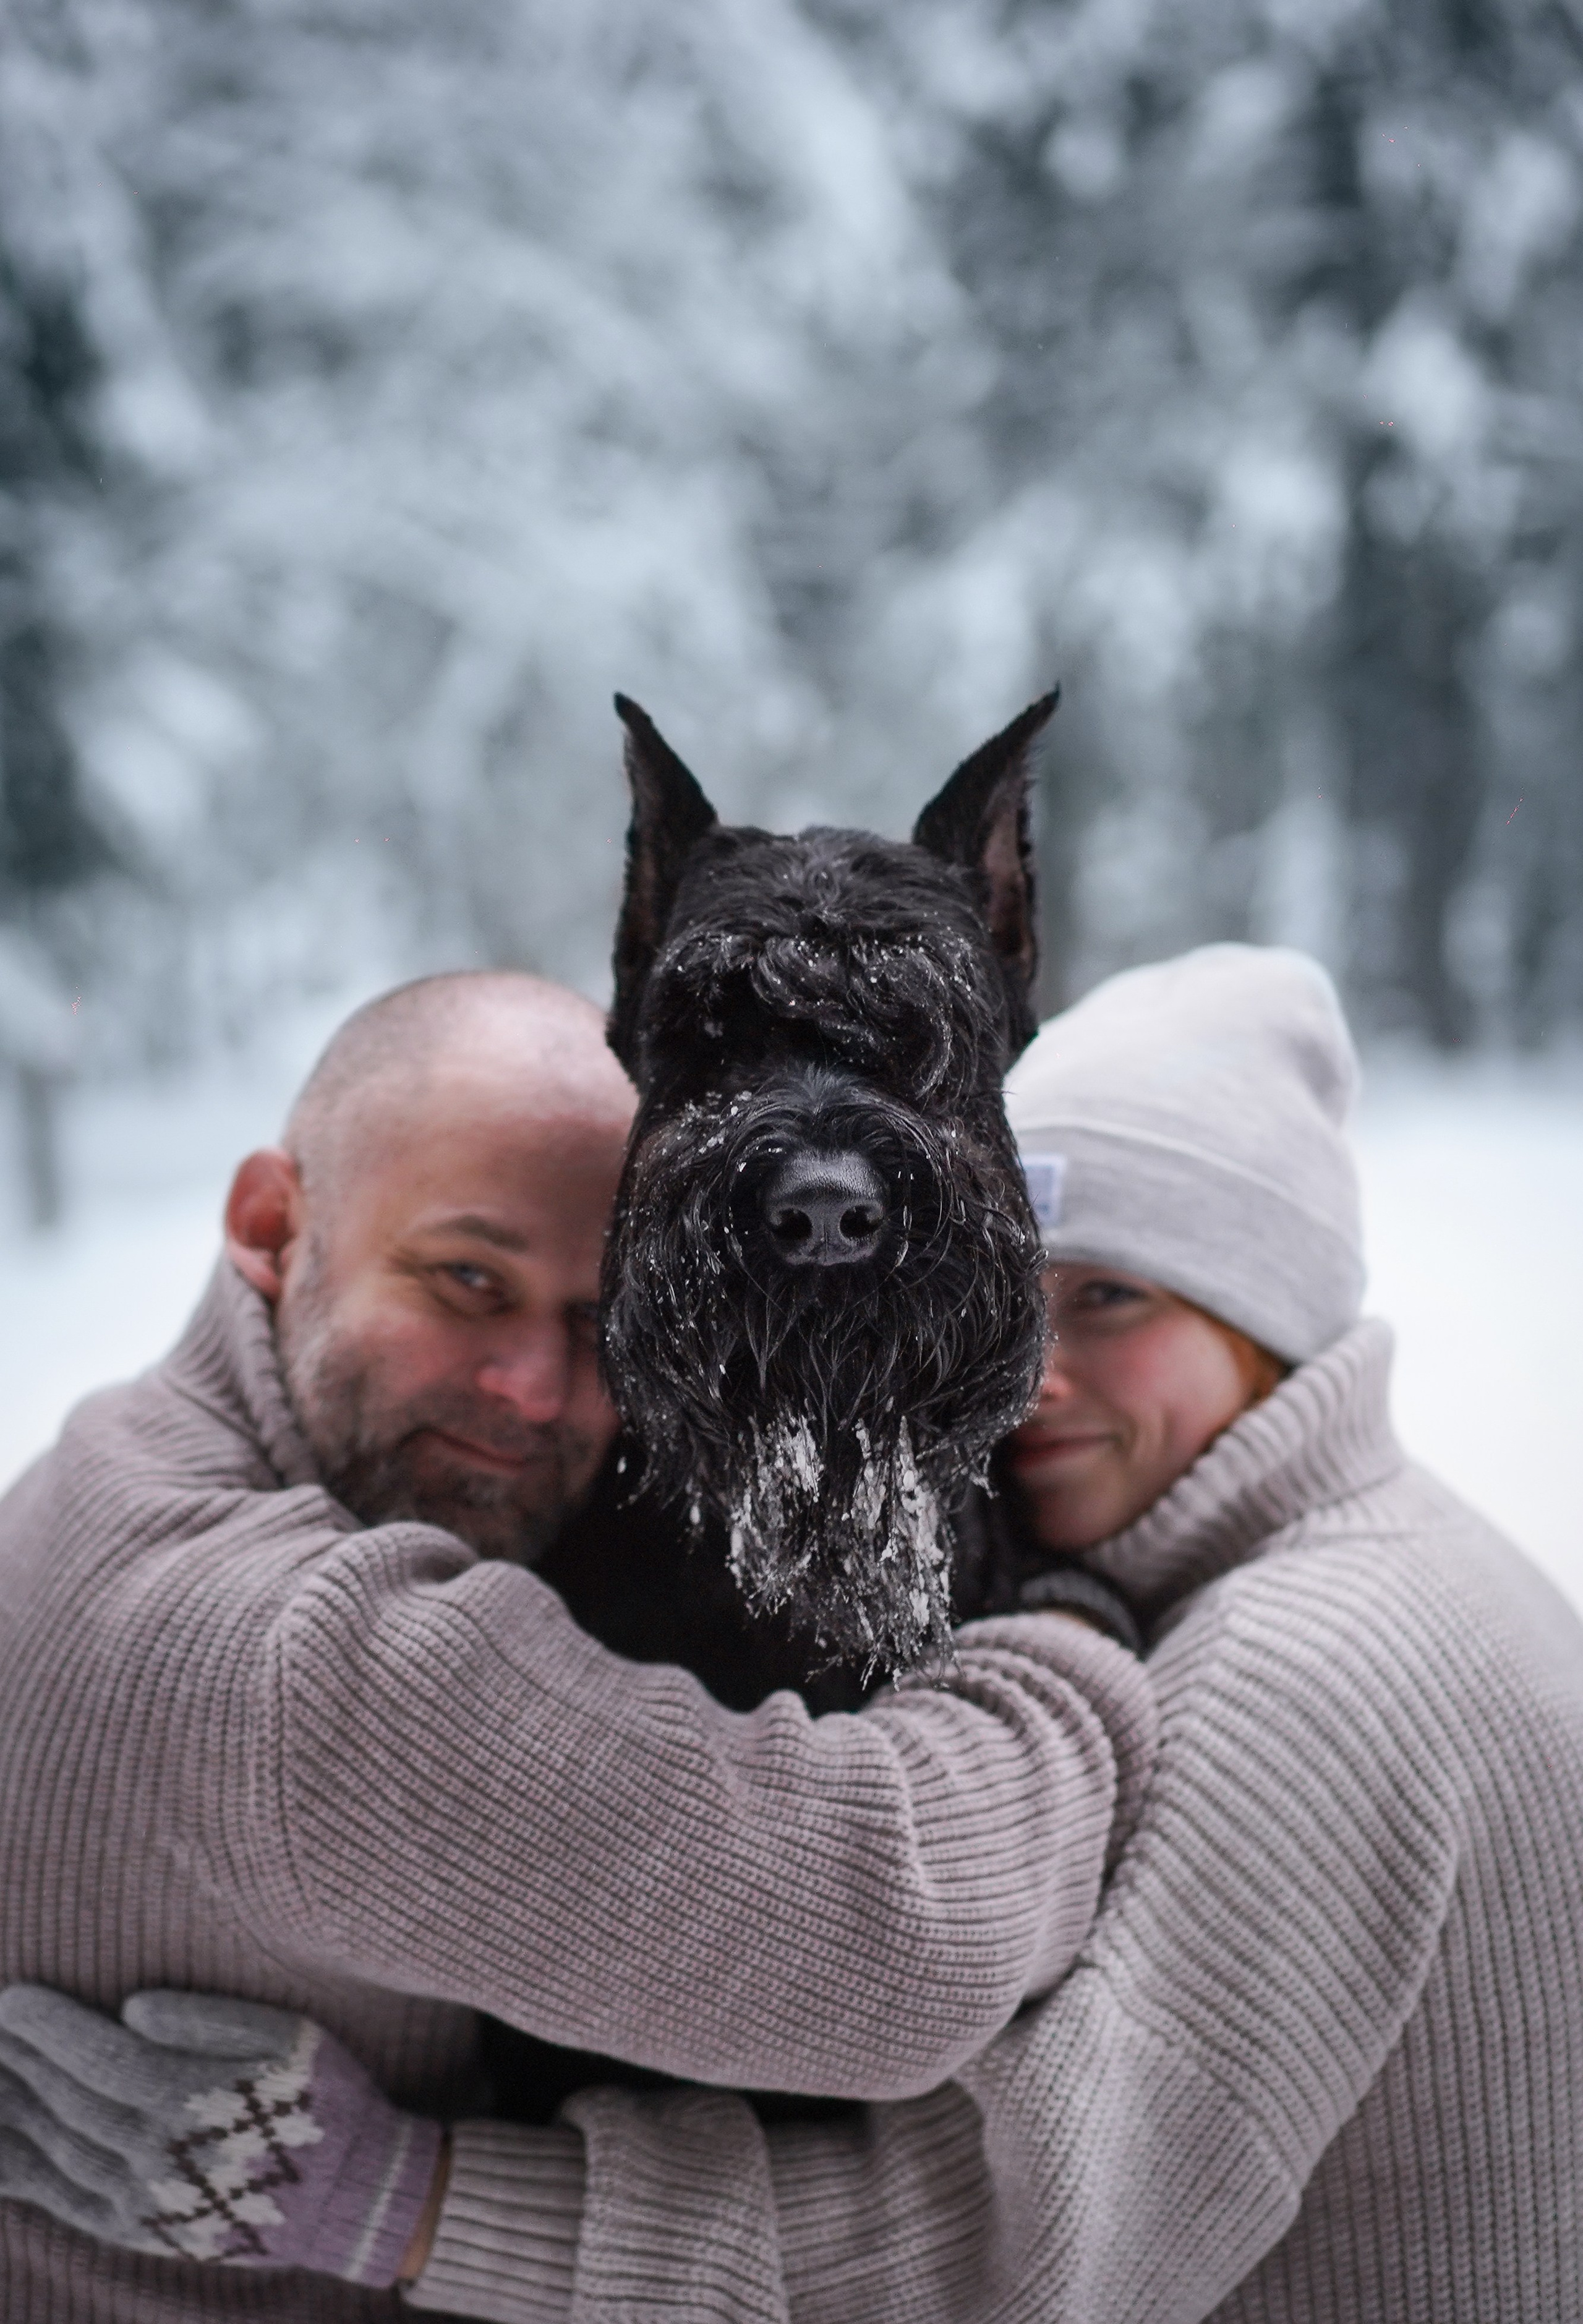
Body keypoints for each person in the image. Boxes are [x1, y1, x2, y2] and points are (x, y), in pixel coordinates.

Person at [15, 944, 1581, 2322]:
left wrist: (405, 2199)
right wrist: (1062, 1612)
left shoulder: (1314, 1667)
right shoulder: (264, 1645)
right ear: (271, 1221)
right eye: (462, 1278)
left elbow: (995, 2242)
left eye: (1110, 1300)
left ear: (1271, 1321)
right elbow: (897, 1948)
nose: (536, 1391)